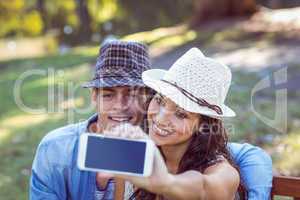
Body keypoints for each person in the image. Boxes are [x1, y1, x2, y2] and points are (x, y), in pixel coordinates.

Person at [29, 41, 272, 200]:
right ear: (93, 97)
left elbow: (211, 183)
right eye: (108, 94)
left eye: (182, 113)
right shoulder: (60, 148)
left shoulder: (212, 163)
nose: (120, 106)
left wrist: (165, 183)